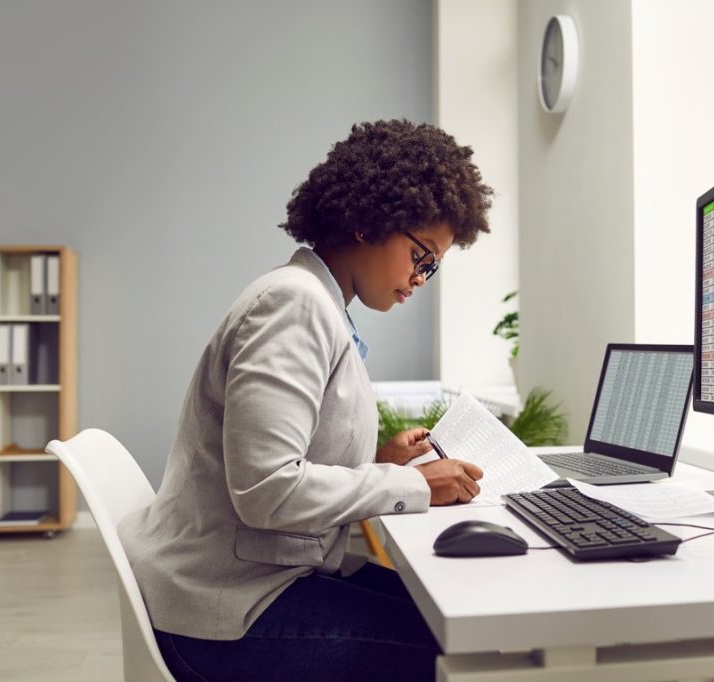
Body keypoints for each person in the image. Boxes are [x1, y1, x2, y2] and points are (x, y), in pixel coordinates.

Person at [118, 119, 494, 681]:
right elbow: (267, 490)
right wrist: (416, 484)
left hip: (249, 582)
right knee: (462, 652)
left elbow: (287, 460)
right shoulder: (292, 307)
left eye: (432, 266)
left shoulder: (316, 304)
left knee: (450, 616)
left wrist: (379, 466)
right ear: (371, 222)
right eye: (422, 256)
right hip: (226, 613)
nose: (421, 278)